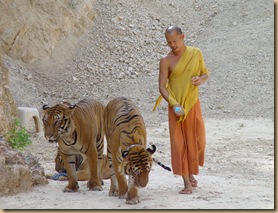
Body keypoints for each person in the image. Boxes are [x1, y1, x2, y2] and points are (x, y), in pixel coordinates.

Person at [153, 25, 209, 194]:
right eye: (169, 42)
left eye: (175, 41)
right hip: (176, 108)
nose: (173, 45)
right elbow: (162, 86)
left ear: (183, 37)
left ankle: (191, 173)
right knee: (179, 145)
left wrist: (201, 79)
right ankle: (186, 182)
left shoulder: (195, 53)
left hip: (192, 104)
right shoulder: (165, 60)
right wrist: (173, 103)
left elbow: (205, 73)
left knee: (198, 140)